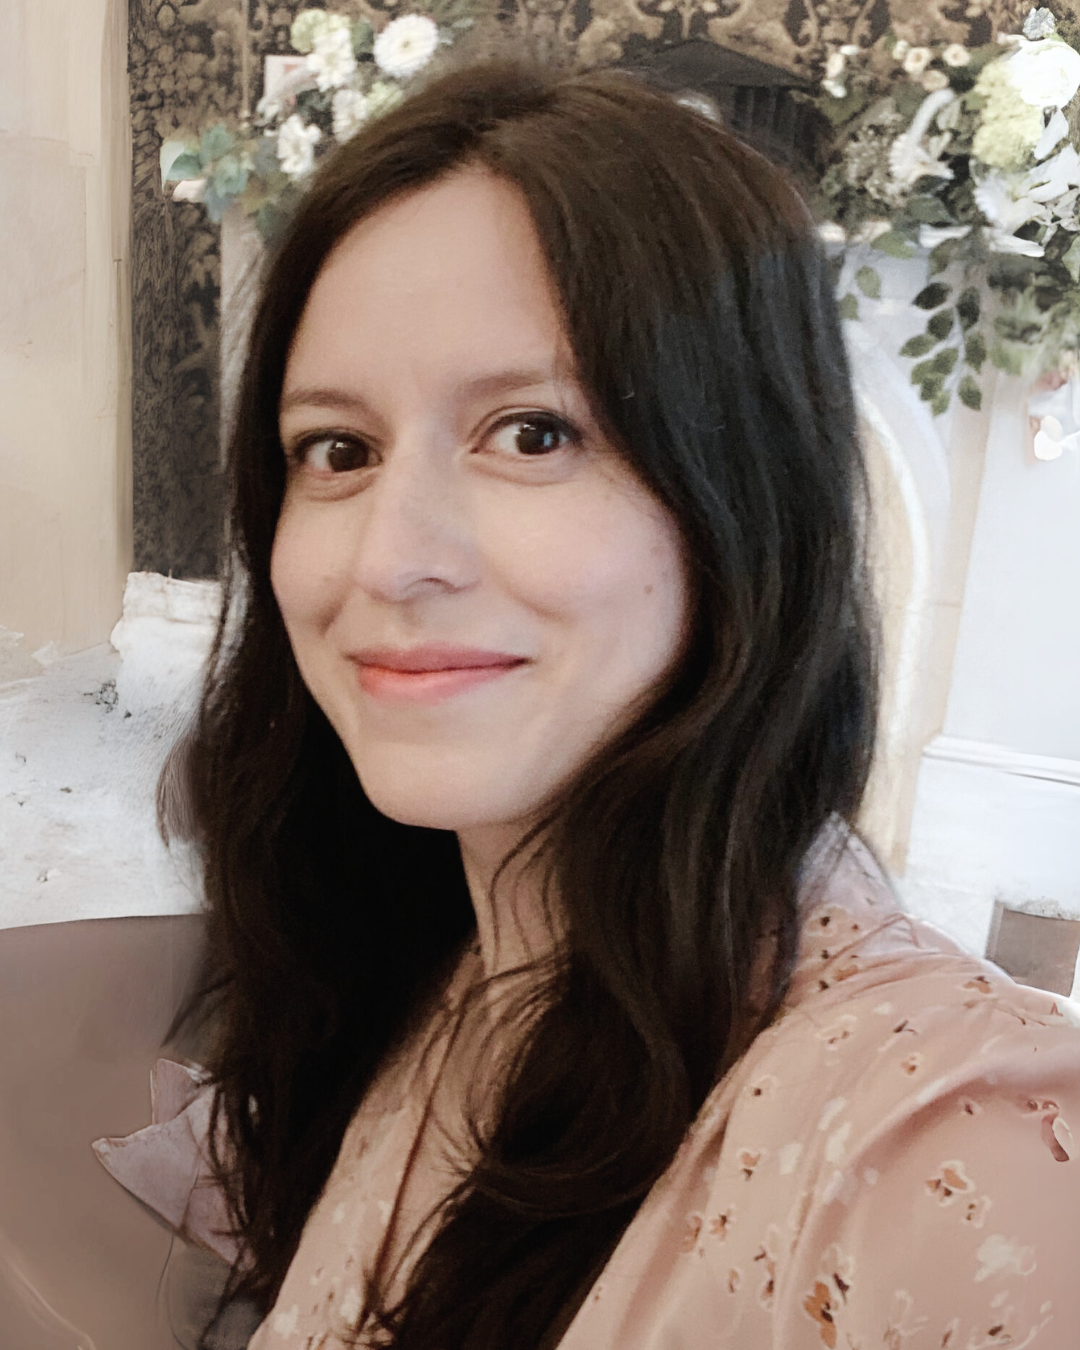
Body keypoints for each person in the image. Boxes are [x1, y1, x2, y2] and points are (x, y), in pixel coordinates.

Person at [95, 56, 1080, 1350]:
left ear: (745, 495)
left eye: (533, 431)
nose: (388, 558)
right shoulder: (433, 966)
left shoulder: (946, 1146)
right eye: (339, 448)